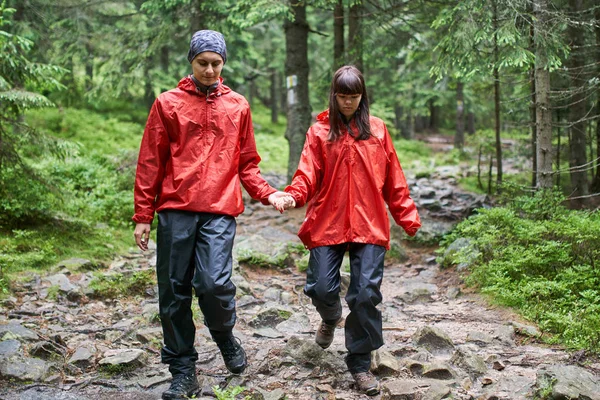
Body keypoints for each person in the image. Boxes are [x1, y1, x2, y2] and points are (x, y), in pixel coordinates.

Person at [133, 30, 289, 400]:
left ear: (224, 63)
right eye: (202, 63)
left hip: (220, 209)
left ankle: (224, 336)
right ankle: (183, 370)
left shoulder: (238, 105)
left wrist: (268, 194)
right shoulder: (167, 103)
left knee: (214, 284)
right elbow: (151, 161)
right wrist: (143, 214)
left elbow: (247, 163)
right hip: (175, 209)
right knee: (173, 293)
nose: (209, 70)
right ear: (191, 62)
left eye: (215, 63)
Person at [275, 65, 421, 396]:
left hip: (369, 224)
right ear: (334, 95)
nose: (348, 103)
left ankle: (359, 364)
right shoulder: (319, 132)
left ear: (362, 97)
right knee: (322, 288)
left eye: (354, 97)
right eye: (343, 97)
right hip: (328, 220)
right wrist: (293, 195)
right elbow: (306, 176)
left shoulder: (378, 131)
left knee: (366, 294)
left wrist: (407, 216)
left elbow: (394, 180)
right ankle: (330, 317)